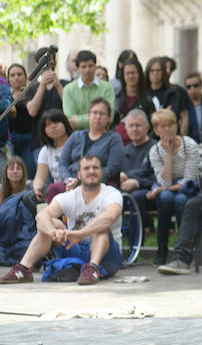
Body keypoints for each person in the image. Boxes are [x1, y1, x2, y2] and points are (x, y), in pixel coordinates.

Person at [1, 155, 123, 285]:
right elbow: (42, 216)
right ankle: (23, 269)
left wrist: (81, 233)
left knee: (102, 226)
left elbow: (110, 216)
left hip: (107, 255)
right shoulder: (69, 196)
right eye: (86, 168)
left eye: (95, 168)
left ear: (101, 172)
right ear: (79, 175)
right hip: (75, 247)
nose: (91, 171)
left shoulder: (111, 193)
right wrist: (52, 231)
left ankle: (93, 267)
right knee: (52, 223)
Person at [145, 108, 201, 265]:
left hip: (189, 188)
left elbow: (190, 179)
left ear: (176, 126)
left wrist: (162, 188)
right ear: (156, 130)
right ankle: (162, 248)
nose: (167, 129)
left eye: (170, 124)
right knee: (165, 198)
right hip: (170, 188)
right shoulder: (155, 151)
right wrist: (168, 153)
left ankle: (183, 250)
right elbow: (165, 182)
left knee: (180, 199)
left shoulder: (189, 145)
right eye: (162, 126)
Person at [58, 97, 124, 191]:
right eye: (95, 113)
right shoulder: (76, 136)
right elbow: (63, 163)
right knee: (54, 189)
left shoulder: (114, 138)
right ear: (88, 115)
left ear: (109, 117)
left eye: (102, 113)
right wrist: (67, 179)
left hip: (99, 182)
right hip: (71, 180)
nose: (98, 117)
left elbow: (112, 168)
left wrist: (82, 179)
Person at [24, 47, 66, 155]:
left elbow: (69, 107)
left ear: (55, 64)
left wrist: (57, 85)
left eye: (51, 65)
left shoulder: (65, 85)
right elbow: (32, 111)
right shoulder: (31, 89)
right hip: (39, 142)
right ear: (36, 65)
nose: (48, 69)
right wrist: (42, 85)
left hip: (63, 141)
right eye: (44, 66)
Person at [62, 50, 116, 131]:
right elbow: (70, 119)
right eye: (83, 67)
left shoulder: (107, 87)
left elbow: (110, 117)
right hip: (77, 137)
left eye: (90, 66)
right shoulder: (68, 90)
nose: (88, 70)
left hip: (102, 136)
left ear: (95, 66)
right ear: (78, 68)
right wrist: (98, 117)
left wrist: (78, 121)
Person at [30, 109, 74, 206]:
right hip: (57, 192)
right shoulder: (46, 150)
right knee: (29, 197)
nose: (53, 126)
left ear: (65, 123)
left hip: (77, 187)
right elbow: (40, 176)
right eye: (48, 124)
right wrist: (37, 188)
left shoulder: (77, 143)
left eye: (56, 122)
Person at [114, 58, 155, 146]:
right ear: (123, 76)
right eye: (127, 73)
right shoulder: (115, 97)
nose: (130, 76)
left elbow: (152, 126)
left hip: (140, 145)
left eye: (133, 73)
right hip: (117, 144)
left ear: (139, 74)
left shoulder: (147, 99)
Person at [119, 110, 157, 194]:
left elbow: (160, 179)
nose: (134, 129)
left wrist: (137, 183)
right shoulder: (124, 150)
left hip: (147, 193)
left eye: (138, 125)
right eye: (131, 126)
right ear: (126, 129)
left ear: (147, 128)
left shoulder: (156, 149)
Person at [6, 64, 35, 177]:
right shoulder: (5, 95)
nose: (16, 77)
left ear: (25, 77)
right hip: (10, 139)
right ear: (8, 79)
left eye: (19, 74)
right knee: (10, 173)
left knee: (29, 172)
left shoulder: (32, 93)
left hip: (29, 138)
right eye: (12, 75)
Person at [146, 57, 187, 132]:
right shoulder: (143, 93)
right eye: (152, 70)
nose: (155, 73)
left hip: (170, 133)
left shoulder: (173, 92)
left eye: (158, 70)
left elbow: (183, 117)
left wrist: (183, 138)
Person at [184, 71, 202, 143]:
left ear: (201, 85)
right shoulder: (183, 106)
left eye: (195, 85)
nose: (192, 88)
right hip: (190, 145)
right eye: (189, 86)